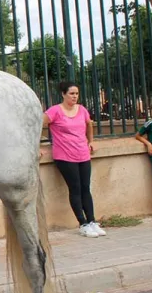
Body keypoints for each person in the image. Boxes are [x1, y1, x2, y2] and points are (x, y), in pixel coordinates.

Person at [43, 81, 106, 238]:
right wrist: (36, 145)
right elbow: (39, 124)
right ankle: (83, 223)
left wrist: (90, 141)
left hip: (82, 153)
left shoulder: (82, 109)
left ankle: (92, 221)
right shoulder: (55, 111)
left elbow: (89, 124)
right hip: (64, 155)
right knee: (75, 188)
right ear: (63, 94)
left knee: (86, 187)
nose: (74, 96)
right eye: (71, 93)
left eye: (76, 93)